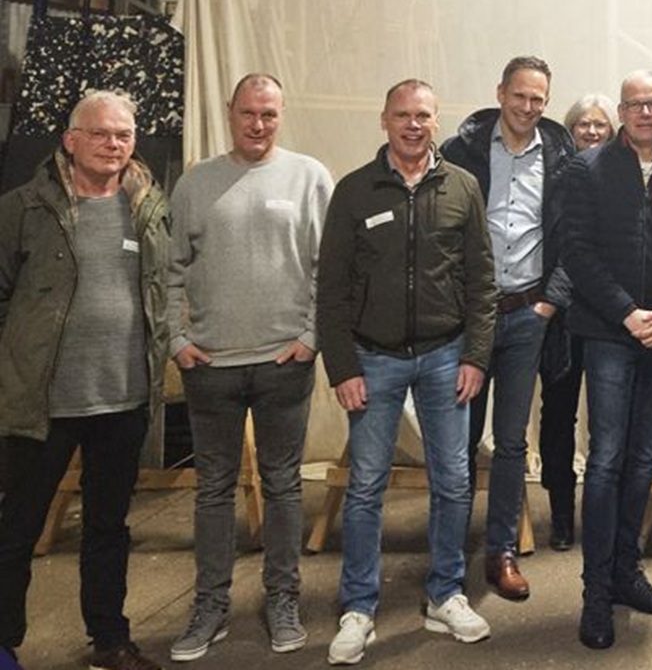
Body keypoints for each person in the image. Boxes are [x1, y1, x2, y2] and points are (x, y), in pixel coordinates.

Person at [316, 80, 497, 665]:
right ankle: (358, 608)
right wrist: (342, 366)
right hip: (372, 358)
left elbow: (482, 280)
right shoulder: (354, 191)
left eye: (423, 115)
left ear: (435, 121)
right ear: (384, 120)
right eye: (402, 115)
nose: (413, 125)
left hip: (446, 355)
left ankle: (445, 594)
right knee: (367, 486)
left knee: (454, 480)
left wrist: (475, 355)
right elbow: (331, 289)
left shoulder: (462, 187)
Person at [164, 75, 335, 661]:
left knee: (284, 485)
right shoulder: (195, 183)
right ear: (229, 112)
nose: (257, 124)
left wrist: (311, 338)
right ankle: (210, 607)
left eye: (268, 114)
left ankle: (283, 600)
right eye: (247, 113)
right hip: (210, 366)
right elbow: (171, 270)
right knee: (213, 490)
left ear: (281, 115)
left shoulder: (310, 177)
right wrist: (177, 339)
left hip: (284, 363)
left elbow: (328, 266)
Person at [0, 91, 171, 670]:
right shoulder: (24, 208)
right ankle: (3, 643)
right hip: (42, 402)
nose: (113, 144)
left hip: (122, 398)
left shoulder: (149, 206)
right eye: (100, 133)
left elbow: (162, 289)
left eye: (124, 134)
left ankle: (110, 641)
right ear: (70, 140)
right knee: (17, 528)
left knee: (108, 529)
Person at [552, 72, 652, 649]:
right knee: (606, 462)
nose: (645, 112)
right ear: (621, 111)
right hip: (609, 335)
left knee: (643, 461)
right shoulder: (587, 170)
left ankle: (626, 572)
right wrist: (627, 313)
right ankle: (596, 592)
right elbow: (577, 251)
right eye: (635, 104)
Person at [439, 56, 574, 601]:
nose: (527, 107)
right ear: (500, 93)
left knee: (513, 443)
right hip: (469, 318)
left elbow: (574, 236)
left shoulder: (562, 159)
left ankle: (502, 552)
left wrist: (550, 302)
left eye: (538, 99)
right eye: (519, 95)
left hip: (527, 316)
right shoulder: (460, 152)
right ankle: (449, 554)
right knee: (460, 440)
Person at [535, 93, 615, 550]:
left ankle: (603, 514)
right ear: (570, 130)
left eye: (600, 124)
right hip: (561, 320)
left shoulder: (623, 175)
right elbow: (565, 245)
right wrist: (553, 299)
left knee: (608, 421)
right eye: (583, 124)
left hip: (607, 316)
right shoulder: (557, 176)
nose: (591, 131)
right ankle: (561, 512)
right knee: (558, 417)